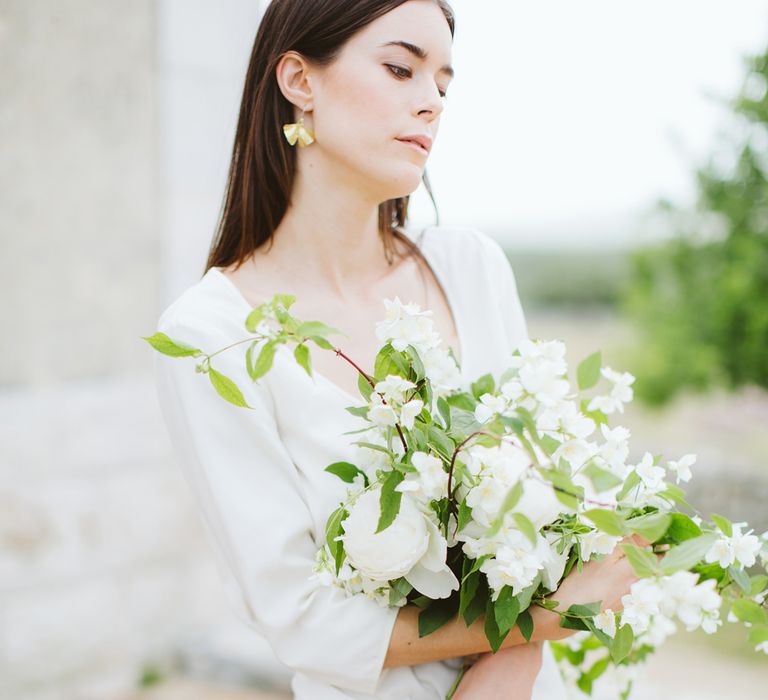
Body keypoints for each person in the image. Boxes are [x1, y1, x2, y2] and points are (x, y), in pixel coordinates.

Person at [153, 1, 643, 698]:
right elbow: (301, 618)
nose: (430, 104)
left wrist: (517, 659)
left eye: (442, 85)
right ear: (299, 79)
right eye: (399, 68)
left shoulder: (470, 269)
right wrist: (538, 623)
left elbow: (554, 503)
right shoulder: (207, 336)